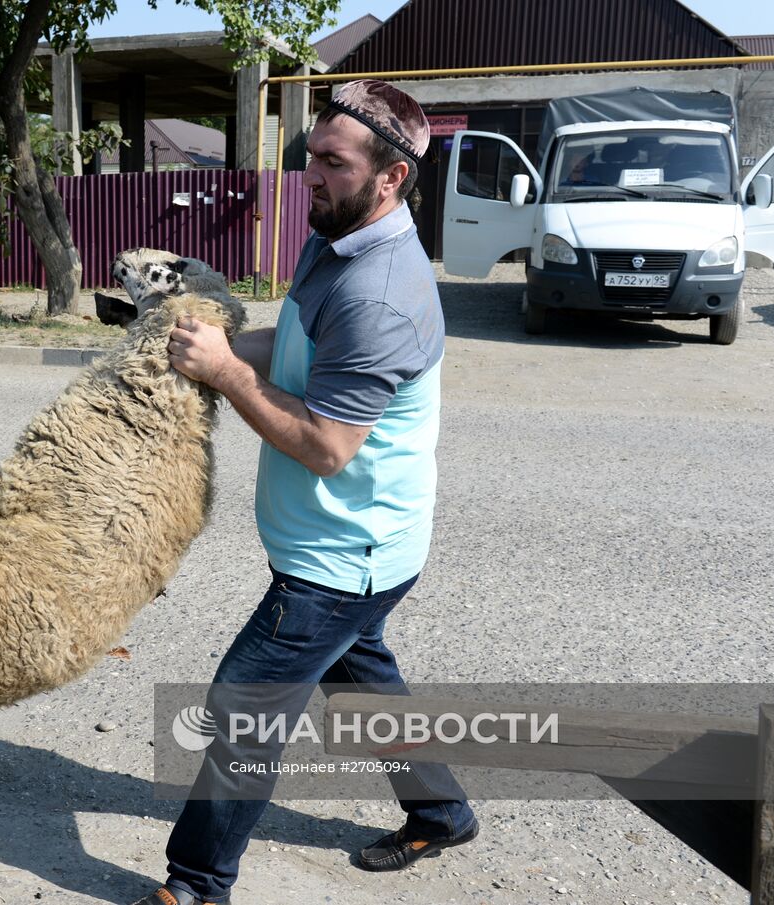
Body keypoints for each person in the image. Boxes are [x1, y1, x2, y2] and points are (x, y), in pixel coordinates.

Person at [132, 81, 477, 905]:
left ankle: (195, 885)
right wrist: (204, 346)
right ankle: (443, 809)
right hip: (359, 544)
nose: (310, 176)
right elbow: (292, 346)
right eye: (309, 157)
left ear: (390, 177)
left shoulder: (381, 294)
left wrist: (222, 371)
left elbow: (327, 445)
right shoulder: (337, 235)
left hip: (341, 557)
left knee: (242, 707)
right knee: (364, 683)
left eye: (332, 162)